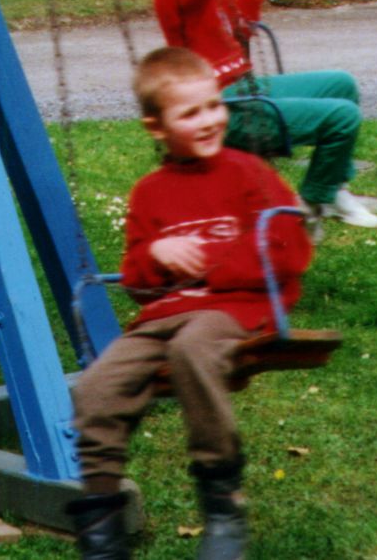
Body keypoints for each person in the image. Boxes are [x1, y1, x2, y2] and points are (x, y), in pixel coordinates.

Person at [68, 47, 312, 560]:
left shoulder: (248, 173)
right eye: (190, 113)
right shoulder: (149, 193)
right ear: (157, 127)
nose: (209, 120)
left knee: (192, 350)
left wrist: (210, 264)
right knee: (94, 387)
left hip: (234, 311)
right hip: (160, 318)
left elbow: (291, 248)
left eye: (213, 106)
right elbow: (136, 279)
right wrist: (156, 253)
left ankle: (223, 503)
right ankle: (101, 522)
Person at [153, 0, 377, 230]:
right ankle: (313, 202)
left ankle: (334, 189)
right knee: (342, 117)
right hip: (223, 103)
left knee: (341, 84)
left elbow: (242, 29)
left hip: (246, 86)